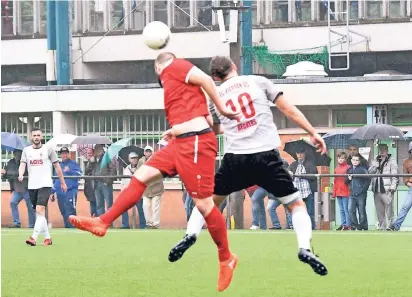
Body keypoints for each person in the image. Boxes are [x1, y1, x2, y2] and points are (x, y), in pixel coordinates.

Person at [69, 52, 239, 292]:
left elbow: (206, 80)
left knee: (204, 205)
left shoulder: (174, 66)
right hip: (181, 143)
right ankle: (103, 221)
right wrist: (177, 130)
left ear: (158, 68)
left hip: (197, 144)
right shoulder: (176, 87)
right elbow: (207, 120)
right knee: (140, 177)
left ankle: (226, 258)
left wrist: (221, 107)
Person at [170, 56, 328, 277]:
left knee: (208, 203)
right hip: (267, 156)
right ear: (234, 66)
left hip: (236, 158)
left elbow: (212, 130)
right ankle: (304, 247)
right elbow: (289, 110)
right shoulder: (258, 81)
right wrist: (313, 133)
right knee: (296, 205)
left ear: (215, 77)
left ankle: (190, 235)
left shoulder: (215, 98)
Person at [19, 127, 67, 246]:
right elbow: (22, 164)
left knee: (40, 210)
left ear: (42, 137)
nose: (36, 137)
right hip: (32, 186)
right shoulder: (26, 150)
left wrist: (62, 182)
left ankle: (33, 237)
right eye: (34, 135)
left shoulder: (48, 150)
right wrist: (20, 174)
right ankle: (47, 238)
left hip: (45, 184)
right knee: (39, 213)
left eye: (38, 135)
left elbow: (57, 167)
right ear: (31, 137)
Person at [1, 150, 35, 228]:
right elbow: (6, 173)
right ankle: (16, 222)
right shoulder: (11, 162)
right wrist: (4, 172)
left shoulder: (26, 162)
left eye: (19, 154)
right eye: (15, 154)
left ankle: (32, 225)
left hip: (26, 189)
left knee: (30, 206)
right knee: (13, 203)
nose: (17, 156)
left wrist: (8, 172)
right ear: (13, 154)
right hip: (17, 190)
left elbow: (21, 172)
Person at [369, 144, 398, 230]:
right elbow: (370, 173)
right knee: (379, 212)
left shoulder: (392, 161)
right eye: (380, 150)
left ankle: (392, 227)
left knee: (389, 211)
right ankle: (382, 228)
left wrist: (393, 187)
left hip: (387, 190)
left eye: (384, 150)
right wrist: (375, 166)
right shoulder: (375, 160)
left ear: (387, 150)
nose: (382, 151)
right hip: (377, 189)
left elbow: (395, 175)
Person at [50, 147, 82, 228]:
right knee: (63, 211)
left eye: (65, 153)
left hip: (70, 192)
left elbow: (80, 175)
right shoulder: (58, 165)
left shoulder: (74, 163)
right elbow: (55, 179)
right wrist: (52, 192)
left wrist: (70, 171)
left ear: (68, 154)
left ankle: (73, 228)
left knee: (70, 211)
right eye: (62, 153)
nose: (64, 155)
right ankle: (67, 228)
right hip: (60, 193)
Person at [288, 148, 318, 230]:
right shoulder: (293, 164)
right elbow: (288, 175)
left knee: (310, 212)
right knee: (296, 211)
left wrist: (301, 175)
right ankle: (298, 228)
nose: (300, 155)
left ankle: (312, 228)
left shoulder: (310, 164)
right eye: (298, 153)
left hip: (308, 191)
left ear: (304, 154)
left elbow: (313, 176)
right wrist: (290, 173)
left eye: (301, 153)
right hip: (297, 191)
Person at [388, 142, 412, 231]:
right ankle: (396, 226)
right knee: (405, 207)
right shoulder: (406, 162)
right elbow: (405, 178)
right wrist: (409, 184)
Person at [139, 146, 165, 229]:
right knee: (146, 206)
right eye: (146, 152)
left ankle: (155, 224)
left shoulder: (158, 160)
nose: (148, 153)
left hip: (156, 187)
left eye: (149, 152)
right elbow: (138, 172)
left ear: (152, 153)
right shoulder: (141, 161)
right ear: (144, 153)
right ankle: (149, 223)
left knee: (155, 206)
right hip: (146, 188)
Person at [120, 151, 146, 229]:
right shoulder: (126, 169)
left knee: (141, 209)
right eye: (132, 158)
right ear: (129, 159)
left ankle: (143, 225)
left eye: (135, 158)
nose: (134, 160)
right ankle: (125, 225)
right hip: (128, 192)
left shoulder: (141, 167)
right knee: (123, 208)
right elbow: (125, 182)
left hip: (138, 192)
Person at [345, 154, 370, 230]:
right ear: (351, 161)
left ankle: (363, 226)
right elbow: (345, 182)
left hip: (361, 194)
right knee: (350, 210)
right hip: (352, 194)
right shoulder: (349, 170)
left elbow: (368, 180)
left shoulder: (363, 170)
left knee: (361, 211)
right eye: (354, 160)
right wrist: (348, 179)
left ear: (359, 161)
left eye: (357, 160)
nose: (355, 162)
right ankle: (355, 225)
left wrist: (363, 190)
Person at [332, 151, 351, 231]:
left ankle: (348, 225)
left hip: (345, 190)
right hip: (338, 190)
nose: (340, 159)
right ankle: (343, 224)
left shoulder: (348, 167)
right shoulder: (336, 168)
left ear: (345, 159)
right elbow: (335, 181)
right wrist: (334, 192)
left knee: (346, 209)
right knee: (341, 209)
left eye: (342, 158)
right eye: (339, 158)